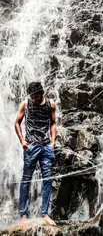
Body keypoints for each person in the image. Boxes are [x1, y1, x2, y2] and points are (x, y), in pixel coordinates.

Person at [15, 82, 57, 226]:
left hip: (46, 146)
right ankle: (23, 215)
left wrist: (53, 142)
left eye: (36, 96)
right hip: (31, 146)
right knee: (26, 179)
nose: (34, 98)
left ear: (42, 93)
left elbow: (53, 123)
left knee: (47, 180)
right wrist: (22, 141)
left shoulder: (51, 105)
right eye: (32, 96)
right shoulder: (25, 103)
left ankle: (44, 214)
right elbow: (17, 123)